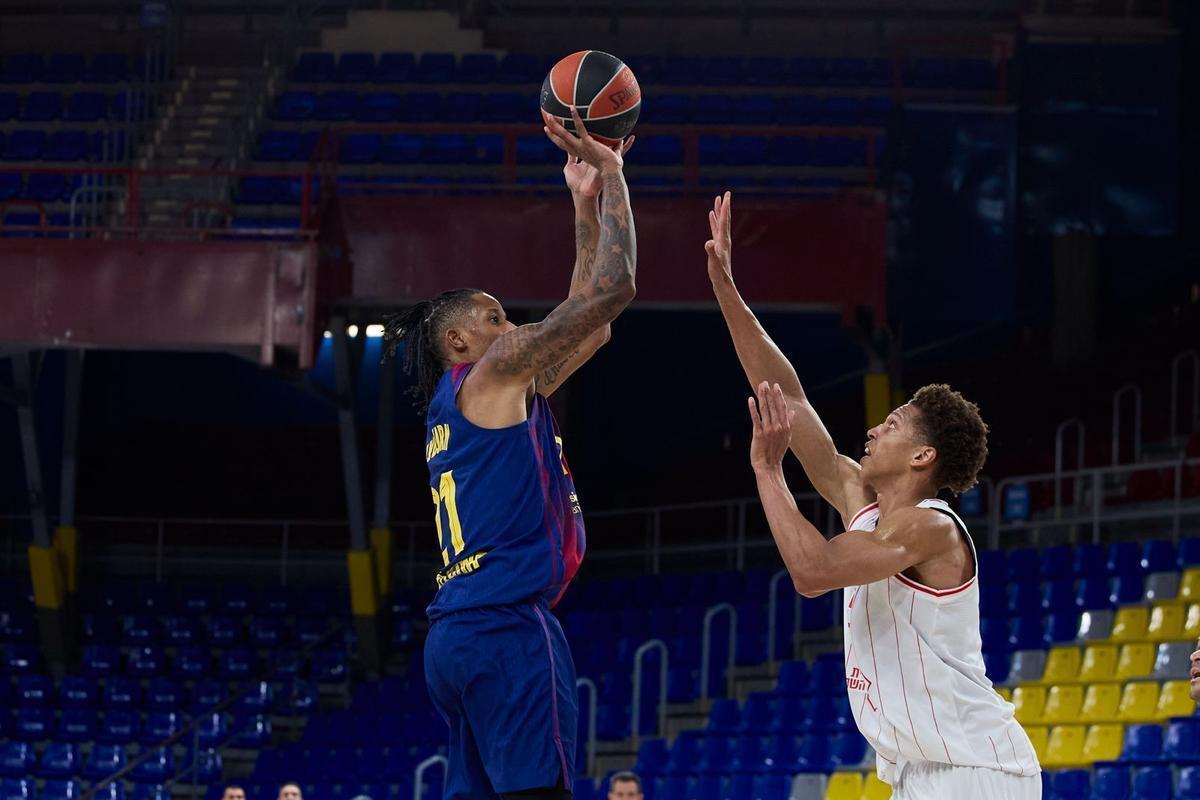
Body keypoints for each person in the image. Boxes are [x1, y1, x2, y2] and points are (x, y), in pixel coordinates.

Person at [707, 192, 1040, 799]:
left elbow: (813, 572)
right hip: (917, 774)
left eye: (891, 425)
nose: (873, 429)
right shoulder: (862, 499)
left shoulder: (929, 528)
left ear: (923, 456)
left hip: (977, 773)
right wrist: (728, 291)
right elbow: (790, 395)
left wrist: (767, 470)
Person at [381, 108, 636, 800]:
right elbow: (617, 289)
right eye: (494, 317)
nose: (511, 325)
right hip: (505, 626)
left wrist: (582, 205)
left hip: (454, 637)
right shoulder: (491, 376)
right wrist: (614, 177)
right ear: (459, 343)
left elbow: (593, 322)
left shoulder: (470, 405)